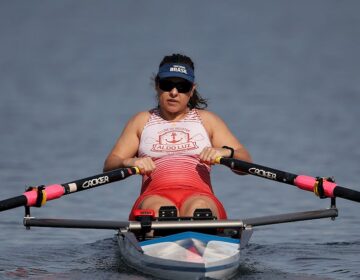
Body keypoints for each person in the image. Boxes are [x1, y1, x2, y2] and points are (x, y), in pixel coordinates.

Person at [103, 53, 252, 220]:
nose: (174, 92)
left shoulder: (208, 121)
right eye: (167, 85)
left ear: (192, 90)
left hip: (200, 196)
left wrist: (226, 152)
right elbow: (110, 164)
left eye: (182, 86)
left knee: (199, 208)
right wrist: (129, 161)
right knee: (161, 209)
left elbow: (246, 163)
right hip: (154, 197)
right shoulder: (141, 121)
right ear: (157, 86)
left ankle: (193, 232)